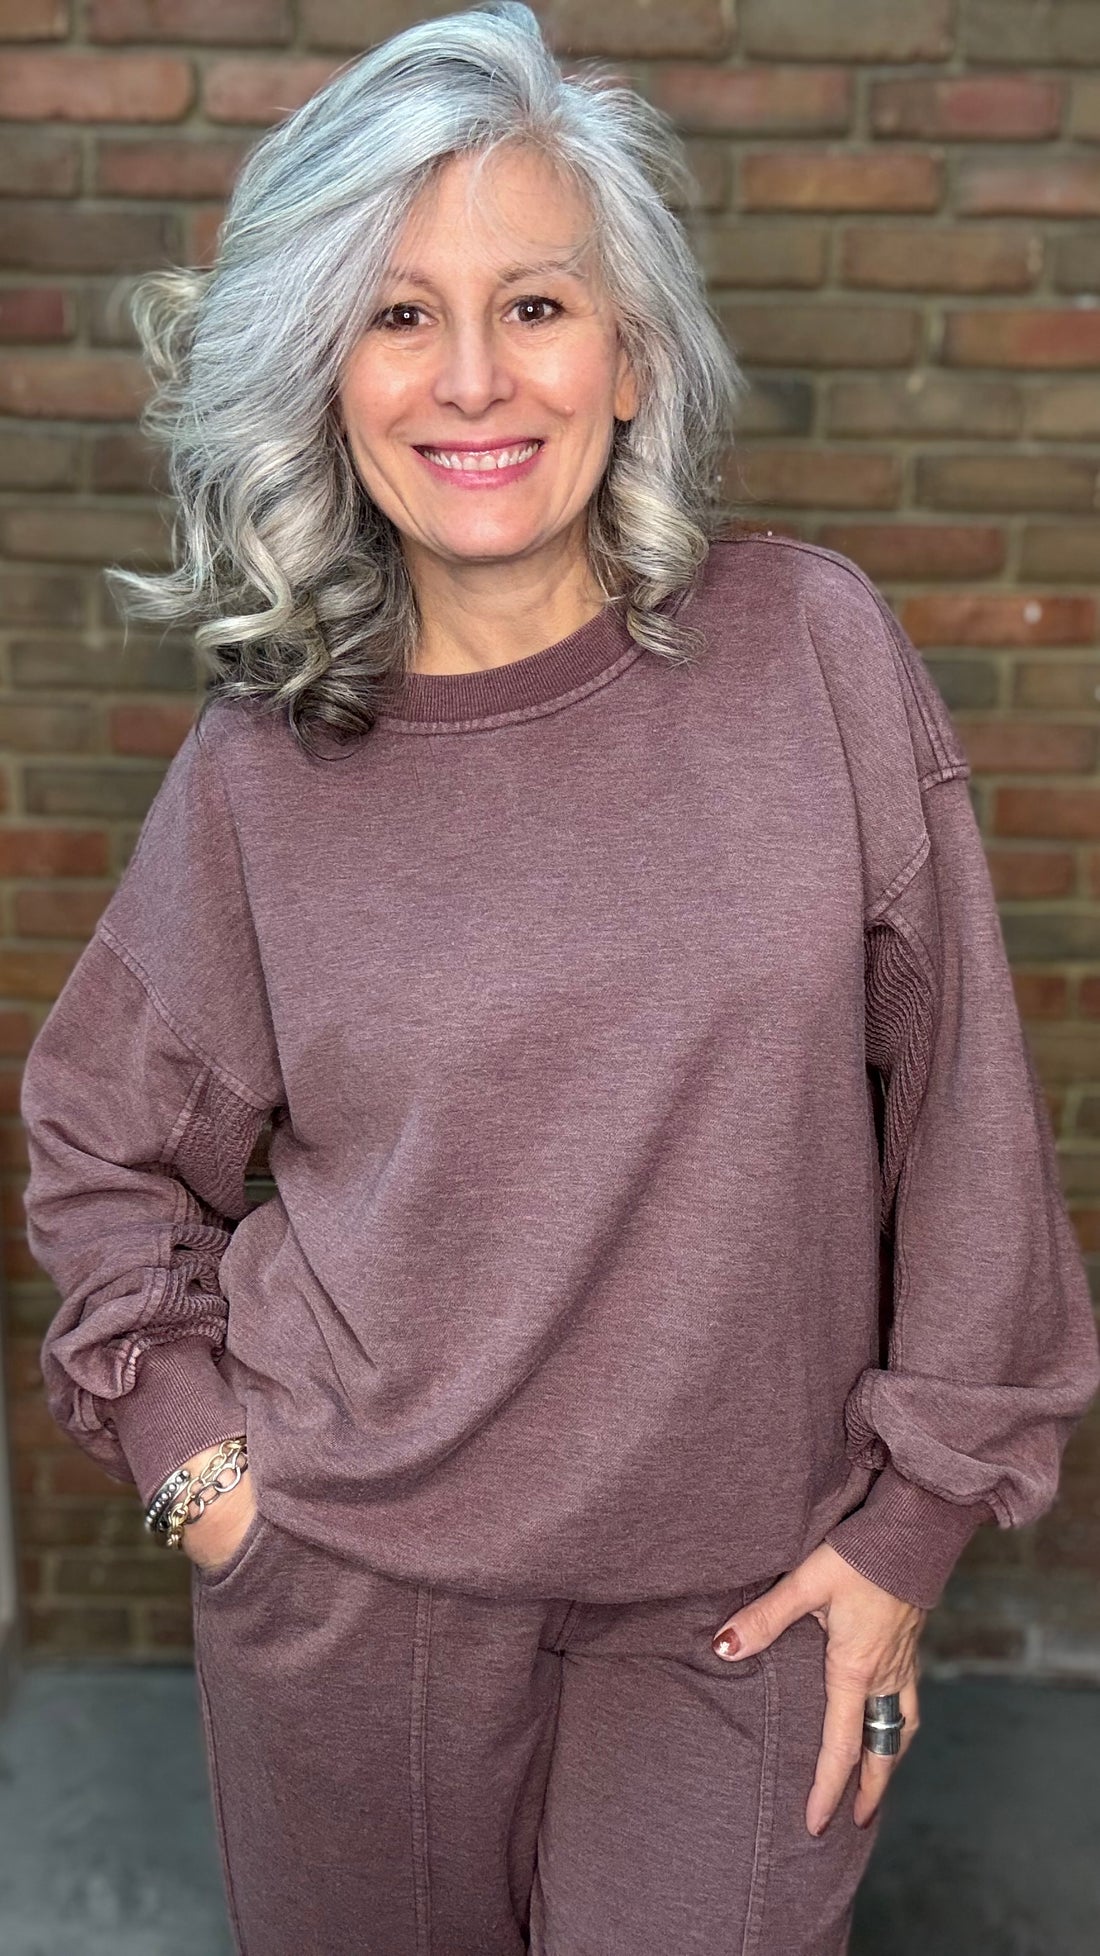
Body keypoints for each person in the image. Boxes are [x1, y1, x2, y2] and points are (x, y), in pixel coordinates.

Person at [19, 6, 1100, 1953]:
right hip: (353, 1608)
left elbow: (961, 1120)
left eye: (531, 302)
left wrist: (905, 1533)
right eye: (395, 313)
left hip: (748, 1604)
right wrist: (206, 1482)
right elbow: (103, 1142)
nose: (468, 380)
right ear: (322, 372)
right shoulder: (265, 770)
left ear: (630, 353)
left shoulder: (811, 658)